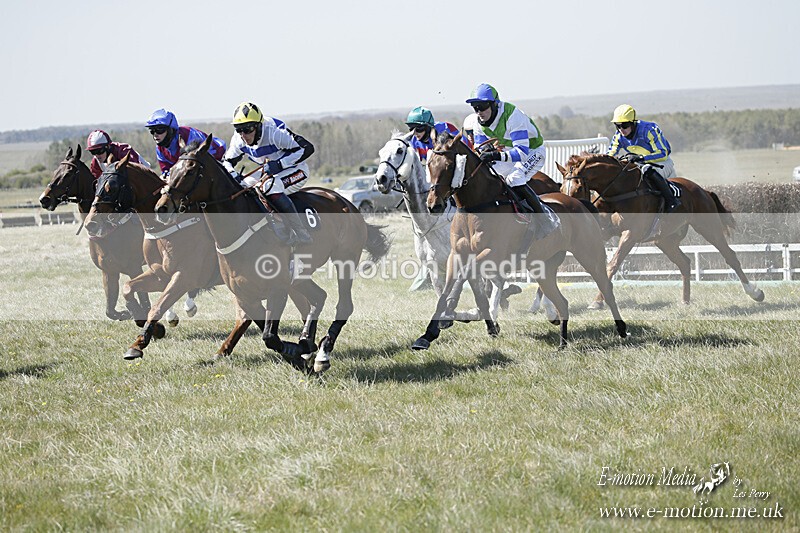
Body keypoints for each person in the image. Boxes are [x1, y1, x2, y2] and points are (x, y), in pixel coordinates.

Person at [466, 83, 558, 236]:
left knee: (514, 179)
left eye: (482, 106)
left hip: (533, 151)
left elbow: (522, 152)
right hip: (511, 152)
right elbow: (480, 148)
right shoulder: (477, 123)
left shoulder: (513, 115)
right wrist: (486, 151)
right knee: (489, 176)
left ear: (494, 104)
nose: (479, 112)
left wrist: (495, 155)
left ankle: (544, 220)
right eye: (475, 107)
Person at [222, 101, 314, 245]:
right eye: (239, 129)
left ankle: (301, 232)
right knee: (242, 187)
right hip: (269, 172)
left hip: (296, 170)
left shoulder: (274, 133)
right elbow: (226, 162)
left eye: (247, 129)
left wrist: (280, 164)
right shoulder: (238, 140)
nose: (243, 135)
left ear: (258, 126)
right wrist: (233, 174)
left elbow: (307, 148)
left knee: (269, 187)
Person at [607, 104, 681, 212]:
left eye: (625, 125)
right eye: (617, 126)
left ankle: (672, 201)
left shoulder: (649, 130)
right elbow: (610, 155)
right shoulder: (618, 136)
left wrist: (641, 158)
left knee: (647, 170)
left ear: (633, 123)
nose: (621, 129)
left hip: (663, 163)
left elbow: (663, 153)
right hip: (641, 164)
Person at [144, 108, 227, 178]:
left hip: (217, 156)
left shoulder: (190, 137)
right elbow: (167, 173)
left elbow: (205, 163)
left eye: (159, 130)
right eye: (152, 131)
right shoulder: (159, 148)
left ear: (171, 130)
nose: (155, 134)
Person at [86, 129, 150, 179]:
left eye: (99, 151)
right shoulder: (95, 162)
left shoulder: (123, 151)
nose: (97, 155)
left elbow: (134, 175)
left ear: (108, 147)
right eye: (93, 152)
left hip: (145, 178)